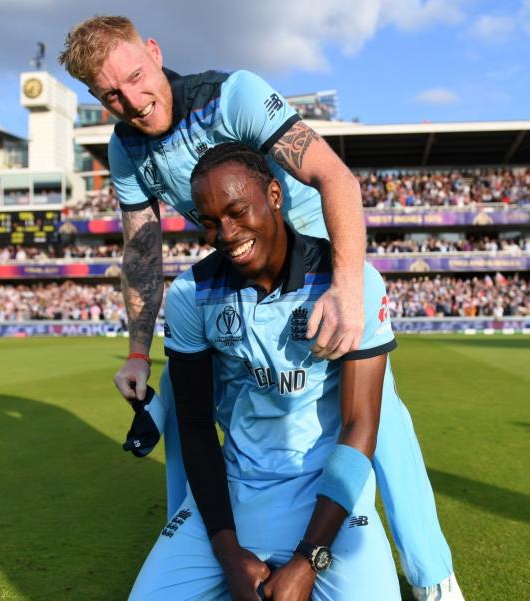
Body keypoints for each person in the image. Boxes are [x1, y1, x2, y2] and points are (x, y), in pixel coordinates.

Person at [59, 17, 460, 597]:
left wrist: (347, 286)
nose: (132, 101)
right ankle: (205, 540)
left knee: (378, 417)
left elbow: (334, 178)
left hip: (313, 273)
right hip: (234, 283)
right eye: (110, 95)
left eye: (136, 77)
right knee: (178, 404)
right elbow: (142, 247)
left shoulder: (234, 95)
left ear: (153, 51)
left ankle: (432, 576)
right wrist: (137, 353)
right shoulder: (124, 148)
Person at [131, 142, 405, 599]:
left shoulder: (352, 282)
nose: (226, 232)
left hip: (330, 494)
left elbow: (361, 425)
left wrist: (308, 559)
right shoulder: (188, 293)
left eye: (237, 210)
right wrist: (227, 552)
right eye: (210, 222)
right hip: (236, 490)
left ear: (274, 195)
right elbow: (196, 426)